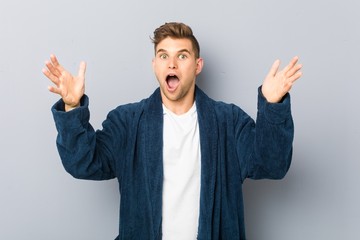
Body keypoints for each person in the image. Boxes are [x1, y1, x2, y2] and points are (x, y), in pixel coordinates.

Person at [43, 22, 302, 240]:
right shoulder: (128, 121)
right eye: (164, 55)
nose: (172, 64)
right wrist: (72, 105)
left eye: (182, 56)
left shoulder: (228, 121)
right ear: (155, 64)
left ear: (197, 65)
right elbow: (84, 163)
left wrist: (272, 105)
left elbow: (272, 165)